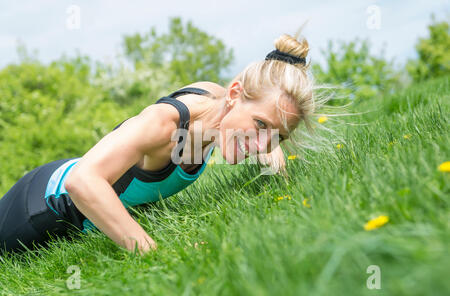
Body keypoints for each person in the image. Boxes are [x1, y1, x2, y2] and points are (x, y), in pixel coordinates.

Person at [0, 32, 315, 255]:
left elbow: (260, 122)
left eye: (277, 134)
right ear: (234, 94)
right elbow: (82, 181)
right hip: (41, 209)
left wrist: (277, 163)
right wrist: (151, 252)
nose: (262, 143)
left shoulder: (221, 104)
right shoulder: (163, 124)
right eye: (260, 126)